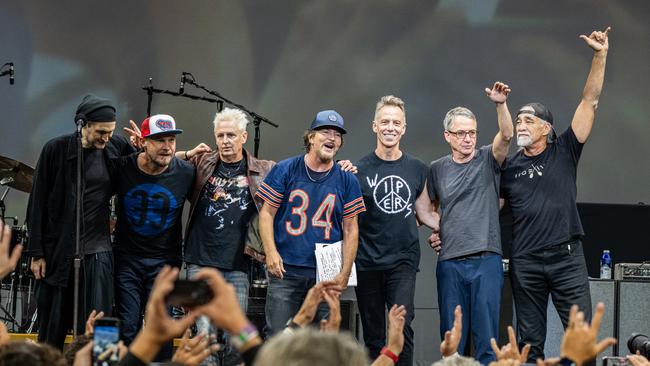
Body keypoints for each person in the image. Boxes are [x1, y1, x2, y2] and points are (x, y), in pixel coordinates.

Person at [500, 27, 611, 362]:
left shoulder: (564, 150)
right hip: (526, 262)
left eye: (528, 120)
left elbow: (589, 100)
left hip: (566, 259)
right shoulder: (508, 166)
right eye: (518, 119)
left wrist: (599, 55)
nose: (520, 124)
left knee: (582, 340)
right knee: (529, 344)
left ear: (546, 128)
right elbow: (491, 206)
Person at [26, 94, 136, 349]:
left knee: (101, 331)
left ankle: (103, 363)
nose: (106, 137)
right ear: (82, 124)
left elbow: (147, 164)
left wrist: (179, 153)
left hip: (98, 252)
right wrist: (36, 252)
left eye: (110, 132)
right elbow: (37, 202)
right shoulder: (55, 149)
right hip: (58, 253)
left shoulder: (115, 146)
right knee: (50, 329)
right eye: (101, 132)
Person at [256, 110, 366, 334]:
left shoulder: (347, 179)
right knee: (278, 339)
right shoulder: (286, 169)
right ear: (311, 137)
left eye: (337, 134)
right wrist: (270, 252)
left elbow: (351, 228)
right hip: (286, 270)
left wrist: (344, 272)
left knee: (323, 342)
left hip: (325, 274)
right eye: (325, 131)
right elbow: (267, 213)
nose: (331, 138)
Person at [427, 82, 514, 364]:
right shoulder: (437, 168)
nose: (468, 139)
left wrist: (500, 105)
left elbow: (507, 136)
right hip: (450, 261)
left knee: (487, 339)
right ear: (447, 136)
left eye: (472, 133)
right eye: (461, 133)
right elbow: (427, 207)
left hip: (485, 259)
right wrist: (438, 229)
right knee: (452, 341)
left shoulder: (488, 157)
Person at [184, 107, 275, 365]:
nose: (225, 141)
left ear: (244, 137)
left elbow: (298, 173)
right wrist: (188, 153)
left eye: (231, 135)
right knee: (204, 335)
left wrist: (341, 166)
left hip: (238, 264)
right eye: (221, 135)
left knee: (237, 336)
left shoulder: (263, 169)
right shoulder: (202, 163)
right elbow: (168, 162)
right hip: (200, 261)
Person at [354, 95, 439, 366]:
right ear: (374, 126)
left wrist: (439, 229)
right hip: (366, 261)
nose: (390, 127)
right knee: (373, 332)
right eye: (385, 122)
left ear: (404, 128)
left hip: (402, 260)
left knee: (401, 325)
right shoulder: (358, 169)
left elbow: (427, 211)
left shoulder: (418, 169)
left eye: (396, 123)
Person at [111, 114, 196, 351]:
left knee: (160, 328)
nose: (167, 147)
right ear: (143, 142)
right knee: (127, 327)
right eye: (160, 140)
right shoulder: (123, 167)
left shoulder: (186, 173)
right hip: (127, 259)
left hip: (165, 264)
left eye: (171, 140)